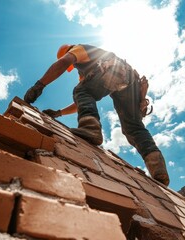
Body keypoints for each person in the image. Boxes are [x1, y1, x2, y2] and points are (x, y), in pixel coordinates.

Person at [24, 44, 170, 186]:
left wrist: (40, 85)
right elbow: (82, 100)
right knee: (133, 127)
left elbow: (65, 63)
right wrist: (59, 113)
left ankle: (91, 130)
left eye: (73, 65)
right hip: (130, 80)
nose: (73, 67)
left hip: (112, 69)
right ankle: (157, 167)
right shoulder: (86, 73)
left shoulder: (78, 49)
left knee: (80, 90)